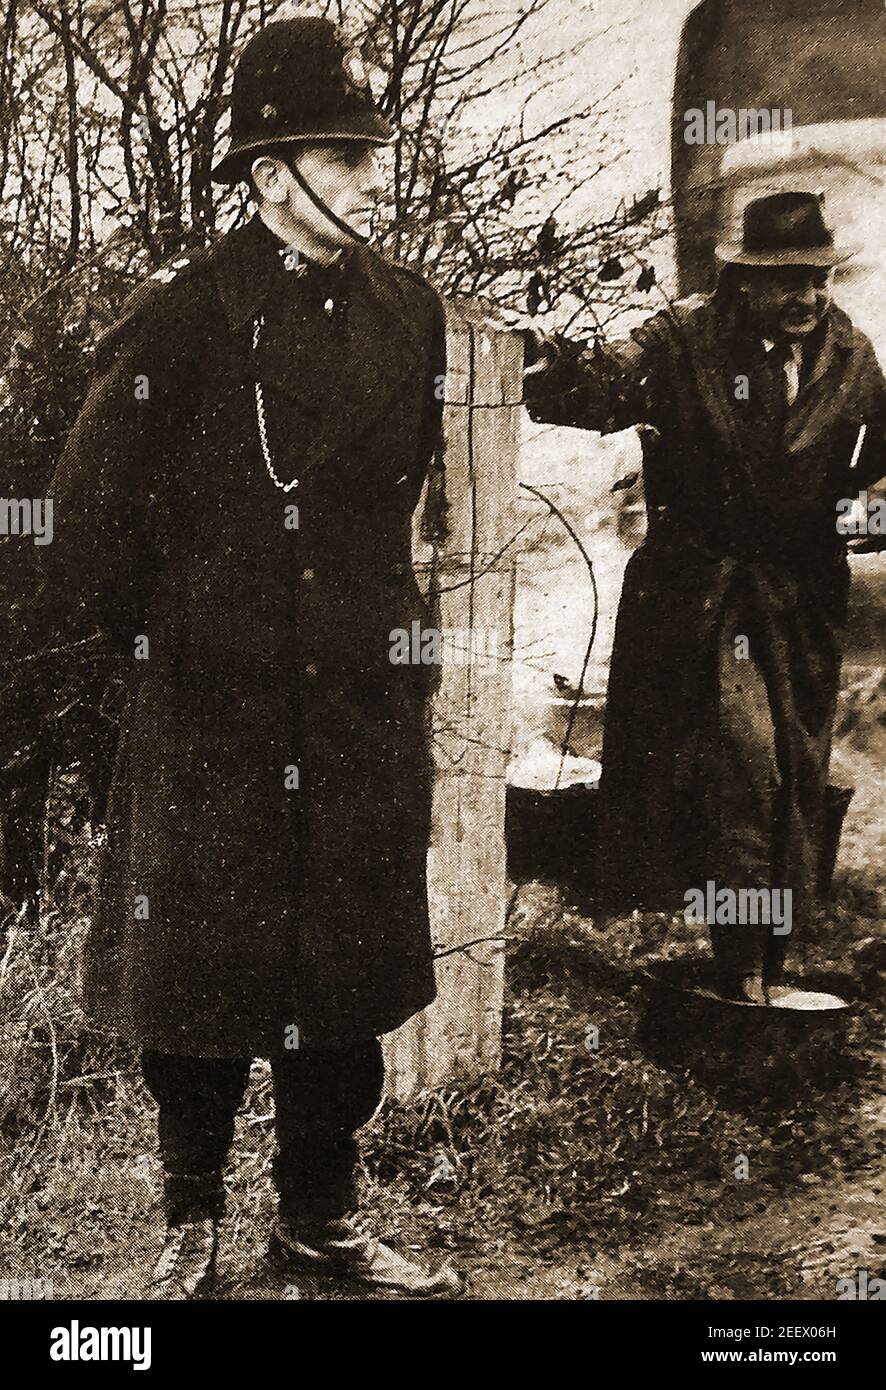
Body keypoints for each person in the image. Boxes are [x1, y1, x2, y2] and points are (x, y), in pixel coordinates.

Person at [16, 17, 459, 1298]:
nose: (375, 178)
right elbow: (82, 526)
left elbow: (396, 508)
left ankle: (319, 1218)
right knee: (199, 985)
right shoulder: (187, 317)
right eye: (346, 154)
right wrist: (175, 651)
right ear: (271, 176)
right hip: (214, 706)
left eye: (374, 151)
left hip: (360, 701)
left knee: (344, 973)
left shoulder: (410, 312)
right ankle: (190, 1222)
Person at [523, 190, 886, 1005]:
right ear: (745, 280)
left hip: (801, 603)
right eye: (787, 278)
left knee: (795, 775)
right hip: (706, 596)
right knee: (745, 769)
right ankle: (742, 975)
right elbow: (603, 386)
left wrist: (868, 512)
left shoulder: (850, 355)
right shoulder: (682, 340)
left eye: (818, 277)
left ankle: (765, 963)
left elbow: (875, 471)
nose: (807, 296)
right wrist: (539, 358)